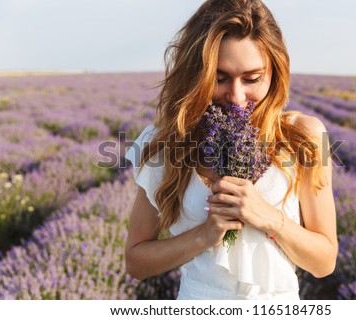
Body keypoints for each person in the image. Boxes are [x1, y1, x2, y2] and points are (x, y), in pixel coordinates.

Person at [124, 0, 337, 300]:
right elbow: (136, 262)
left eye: (252, 79)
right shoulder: (163, 143)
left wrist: (269, 218)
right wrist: (203, 236)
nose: (236, 97)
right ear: (195, 74)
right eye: (219, 78)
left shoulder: (305, 137)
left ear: (275, 72)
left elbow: (325, 262)